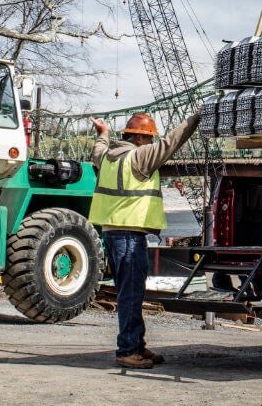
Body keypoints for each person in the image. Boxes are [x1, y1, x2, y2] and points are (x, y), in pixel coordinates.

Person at [89, 110, 200, 369]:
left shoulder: (106, 157)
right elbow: (172, 142)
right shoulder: (140, 156)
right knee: (131, 294)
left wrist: (102, 133)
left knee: (131, 292)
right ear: (139, 139)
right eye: (149, 139)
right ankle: (127, 350)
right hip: (129, 235)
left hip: (111, 233)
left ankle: (136, 344)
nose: (152, 143)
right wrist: (196, 117)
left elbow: (99, 145)